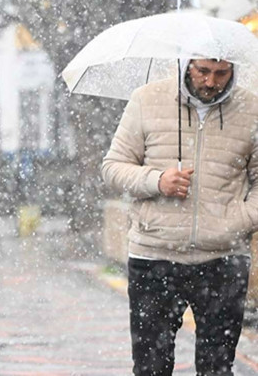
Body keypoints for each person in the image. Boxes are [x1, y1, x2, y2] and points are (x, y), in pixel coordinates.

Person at [101, 58, 258, 375]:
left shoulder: (252, 108)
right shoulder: (147, 100)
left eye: (221, 73)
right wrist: (156, 180)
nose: (211, 82)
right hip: (154, 255)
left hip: (224, 259)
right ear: (186, 64)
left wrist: (240, 219)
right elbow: (113, 167)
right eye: (203, 71)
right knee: (151, 367)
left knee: (217, 368)